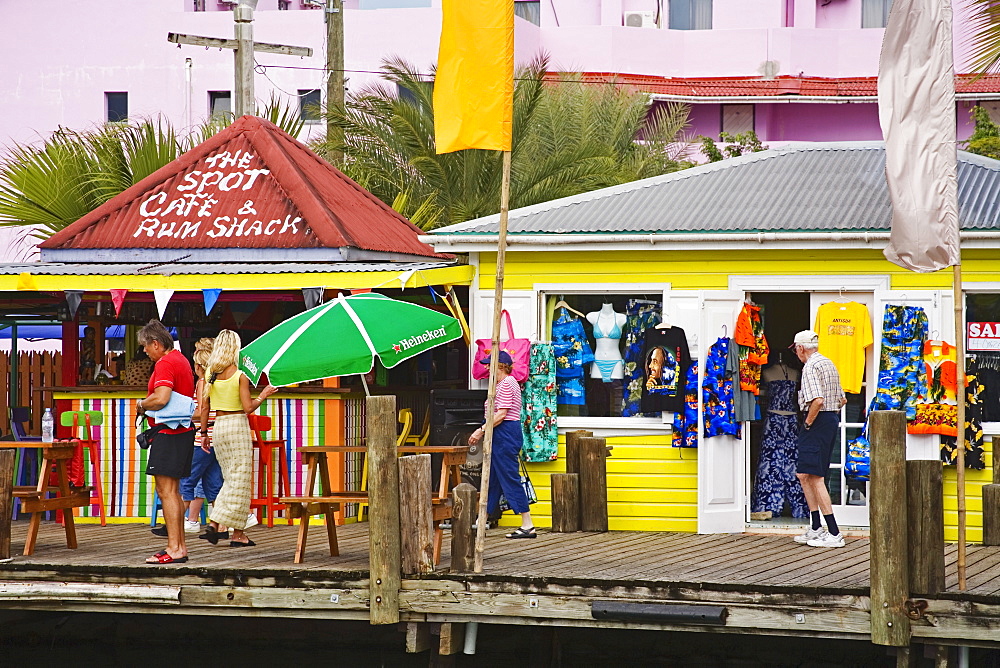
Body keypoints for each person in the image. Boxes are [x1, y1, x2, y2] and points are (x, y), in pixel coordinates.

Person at [199, 330, 277, 547]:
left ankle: (219, 524)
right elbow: (248, 407)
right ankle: (235, 533)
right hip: (236, 426)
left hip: (218, 427)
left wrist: (204, 433)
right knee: (240, 481)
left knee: (230, 479)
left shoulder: (210, 375)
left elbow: (204, 407)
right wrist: (263, 394)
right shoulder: (239, 375)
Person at [137, 320, 196, 565]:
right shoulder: (181, 359)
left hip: (168, 431)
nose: (144, 351)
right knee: (174, 491)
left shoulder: (165, 363)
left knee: (167, 491)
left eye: (145, 346)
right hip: (182, 431)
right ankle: (178, 546)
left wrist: (142, 404)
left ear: (156, 344)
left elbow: (161, 398)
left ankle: (174, 548)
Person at [468, 351, 536, 539]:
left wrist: (480, 430)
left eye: (490, 364)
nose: (487, 367)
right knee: (494, 480)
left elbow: (501, 414)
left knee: (509, 477)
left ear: (501, 366)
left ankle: (527, 524)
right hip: (502, 432)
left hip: (505, 432)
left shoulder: (506, 383)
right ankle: (482, 519)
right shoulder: (504, 383)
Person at [790, 330, 848, 548]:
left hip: (817, 420)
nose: (796, 353)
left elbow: (818, 401)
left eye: (796, 349)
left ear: (801, 348)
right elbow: (842, 399)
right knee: (804, 474)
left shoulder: (810, 367)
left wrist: (807, 424)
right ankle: (816, 527)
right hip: (829, 420)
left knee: (815, 477)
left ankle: (834, 533)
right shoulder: (827, 363)